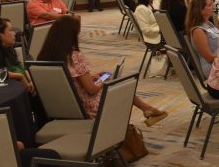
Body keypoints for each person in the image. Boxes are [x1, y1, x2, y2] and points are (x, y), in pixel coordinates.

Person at [36, 16, 167, 124]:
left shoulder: (44, 57)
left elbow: (69, 80)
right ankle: (145, 109)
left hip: (64, 108)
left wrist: (91, 77)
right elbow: (91, 90)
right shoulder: (75, 57)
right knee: (121, 85)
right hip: (86, 107)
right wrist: (101, 82)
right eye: (77, 34)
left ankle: (147, 109)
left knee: (114, 82)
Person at [185, 0, 219, 80]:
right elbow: (209, 57)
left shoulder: (209, 24)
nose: (213, 7)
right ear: (200, 10)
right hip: (213, 68)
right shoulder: (198, 31)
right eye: (209, 5)